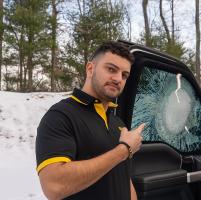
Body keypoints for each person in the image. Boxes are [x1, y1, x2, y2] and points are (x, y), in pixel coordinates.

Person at [35, 41, 144, 200]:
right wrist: (123, 150)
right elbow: (54, 186)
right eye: (111, 69)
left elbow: (124, 178)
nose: (118, 79)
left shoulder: (118, 123)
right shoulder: (61, 115)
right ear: (90, 69)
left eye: (124, 75)